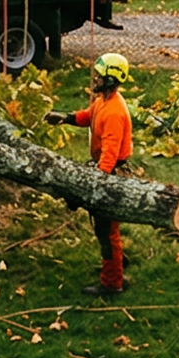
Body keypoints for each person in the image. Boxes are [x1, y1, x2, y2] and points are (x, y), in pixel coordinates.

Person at [50, 52, 136, 295]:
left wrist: (96, 182)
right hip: (105, 167)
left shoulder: (114, 112)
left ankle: (112, 282)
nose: (95, 79)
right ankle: (117, 261)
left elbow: (109, 152)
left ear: (111, 79)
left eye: (99, 76)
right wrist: (66, 118)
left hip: (111, 171)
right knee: (106, 227)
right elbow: (89, 116)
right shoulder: (103, 102)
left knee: (106, 228)